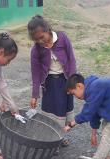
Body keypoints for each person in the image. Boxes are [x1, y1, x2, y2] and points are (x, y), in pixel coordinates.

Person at [27, 15, 76, 146]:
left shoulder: (62, 38)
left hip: (65, 81)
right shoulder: (36, 50)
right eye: (37, 40)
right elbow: (35, 73)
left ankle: (60, 137)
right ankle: (53, 140)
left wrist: (73, 81)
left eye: (42, 37)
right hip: (50, 84)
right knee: (52, 113)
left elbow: (71, 60)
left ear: (47, 29)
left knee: (62, 111)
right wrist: (34, 95)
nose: (40, 41)